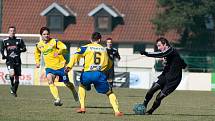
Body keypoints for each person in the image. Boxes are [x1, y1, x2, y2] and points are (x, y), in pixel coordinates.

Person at [65, 32, 123, 117]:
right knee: (109, 92)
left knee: (82, 86)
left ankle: (82, 107)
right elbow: (110, 63)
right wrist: (104, 70)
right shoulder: (104, 50)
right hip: (99, 74)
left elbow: (75, 55)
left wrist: (69, 66)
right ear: (99, 40)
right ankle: (117, 111)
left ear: (91, 39)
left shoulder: (86, 47)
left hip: (87, 73)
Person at [140, 37, 187, 115]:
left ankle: (150, 111)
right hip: (164, 76)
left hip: (174, 80)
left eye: (159, 45)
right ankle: (143, 106)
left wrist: (146, 53)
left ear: (165, 44)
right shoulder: (169, 53)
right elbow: (179, 60)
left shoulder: (171, 50)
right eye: (157, 46)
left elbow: (162, 54)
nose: (158, 48)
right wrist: (183, 64)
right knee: (152, 89)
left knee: (159, 97)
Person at [34, 27, 78, 106]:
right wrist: (37, 62)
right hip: (50, 68)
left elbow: (64, 47)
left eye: (47, 34)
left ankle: (74, 91)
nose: (46, 35)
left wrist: (58, 51)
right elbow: (37, 53)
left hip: (60, 66)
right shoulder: (39, 45)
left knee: (67, 83)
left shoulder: (55, 41)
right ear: (41, 35)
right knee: (50, 81)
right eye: (44, 34)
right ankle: (57, 99)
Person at [0, 26, 26, 97]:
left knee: (17, 78)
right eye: (11, 31)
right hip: (9, 61)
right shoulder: (5, 41)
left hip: (17, 61)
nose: (12, 32)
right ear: (8, 32)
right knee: (12, 73)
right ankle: (12, 85)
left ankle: (14, 91)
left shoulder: (19, 40)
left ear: (15, 32)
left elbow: (24, 48)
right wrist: (3, 55)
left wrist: (20, 50)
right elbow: (2, 49)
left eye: (13, 31)